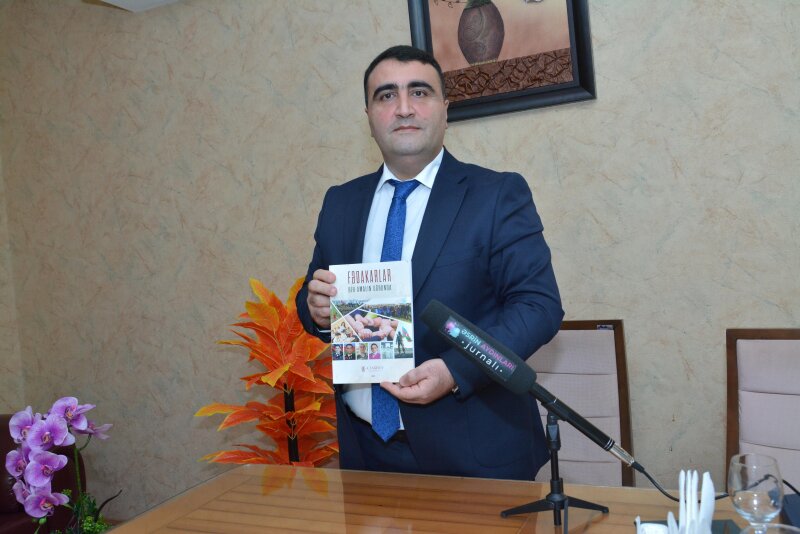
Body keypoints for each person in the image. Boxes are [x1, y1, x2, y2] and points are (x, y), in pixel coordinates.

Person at [297, 45, 563, 481]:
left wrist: (455, 371)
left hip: (473, 454)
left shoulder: (496, 195)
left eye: (419, 92)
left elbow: (539, 308)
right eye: (386, 95)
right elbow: (313, 298)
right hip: (364, 453)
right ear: (369, 116)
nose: (404, 108)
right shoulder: (340, 203)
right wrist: (317, 310)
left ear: (445, 108)